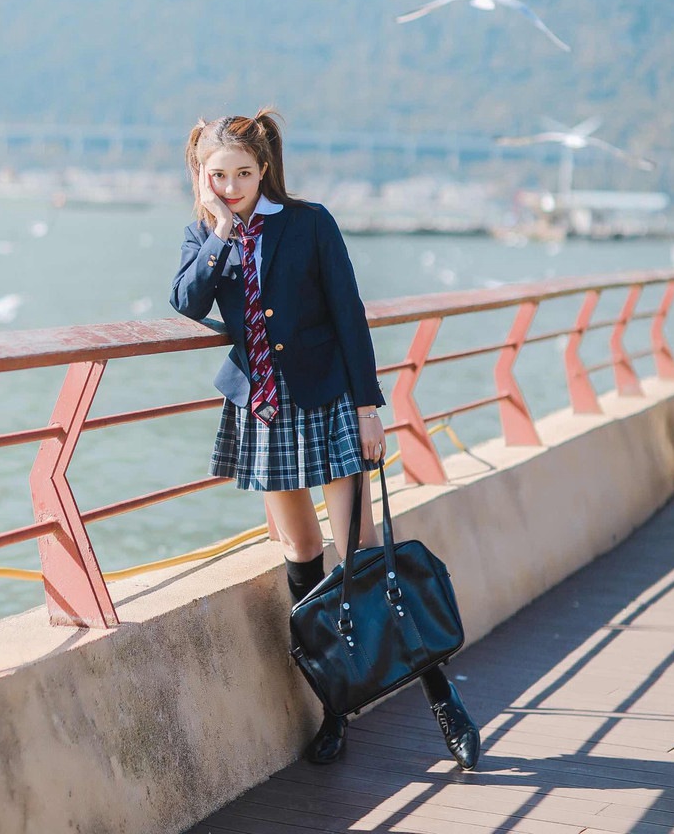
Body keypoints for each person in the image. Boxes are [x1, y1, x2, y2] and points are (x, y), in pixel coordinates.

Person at [170, 109, 480, 770]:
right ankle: (333, 711)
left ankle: (441, 697)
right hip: (262, 412)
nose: (230, 185)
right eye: (216, 175)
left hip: (327, 400)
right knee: (300, 556)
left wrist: (369, 407)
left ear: (265, 170)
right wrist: (221, 232)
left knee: (362, 552)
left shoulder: (309, 222)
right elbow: (186, 302)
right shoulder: (204, 234)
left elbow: (348, 314)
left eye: (243, 174)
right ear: (200, 176)